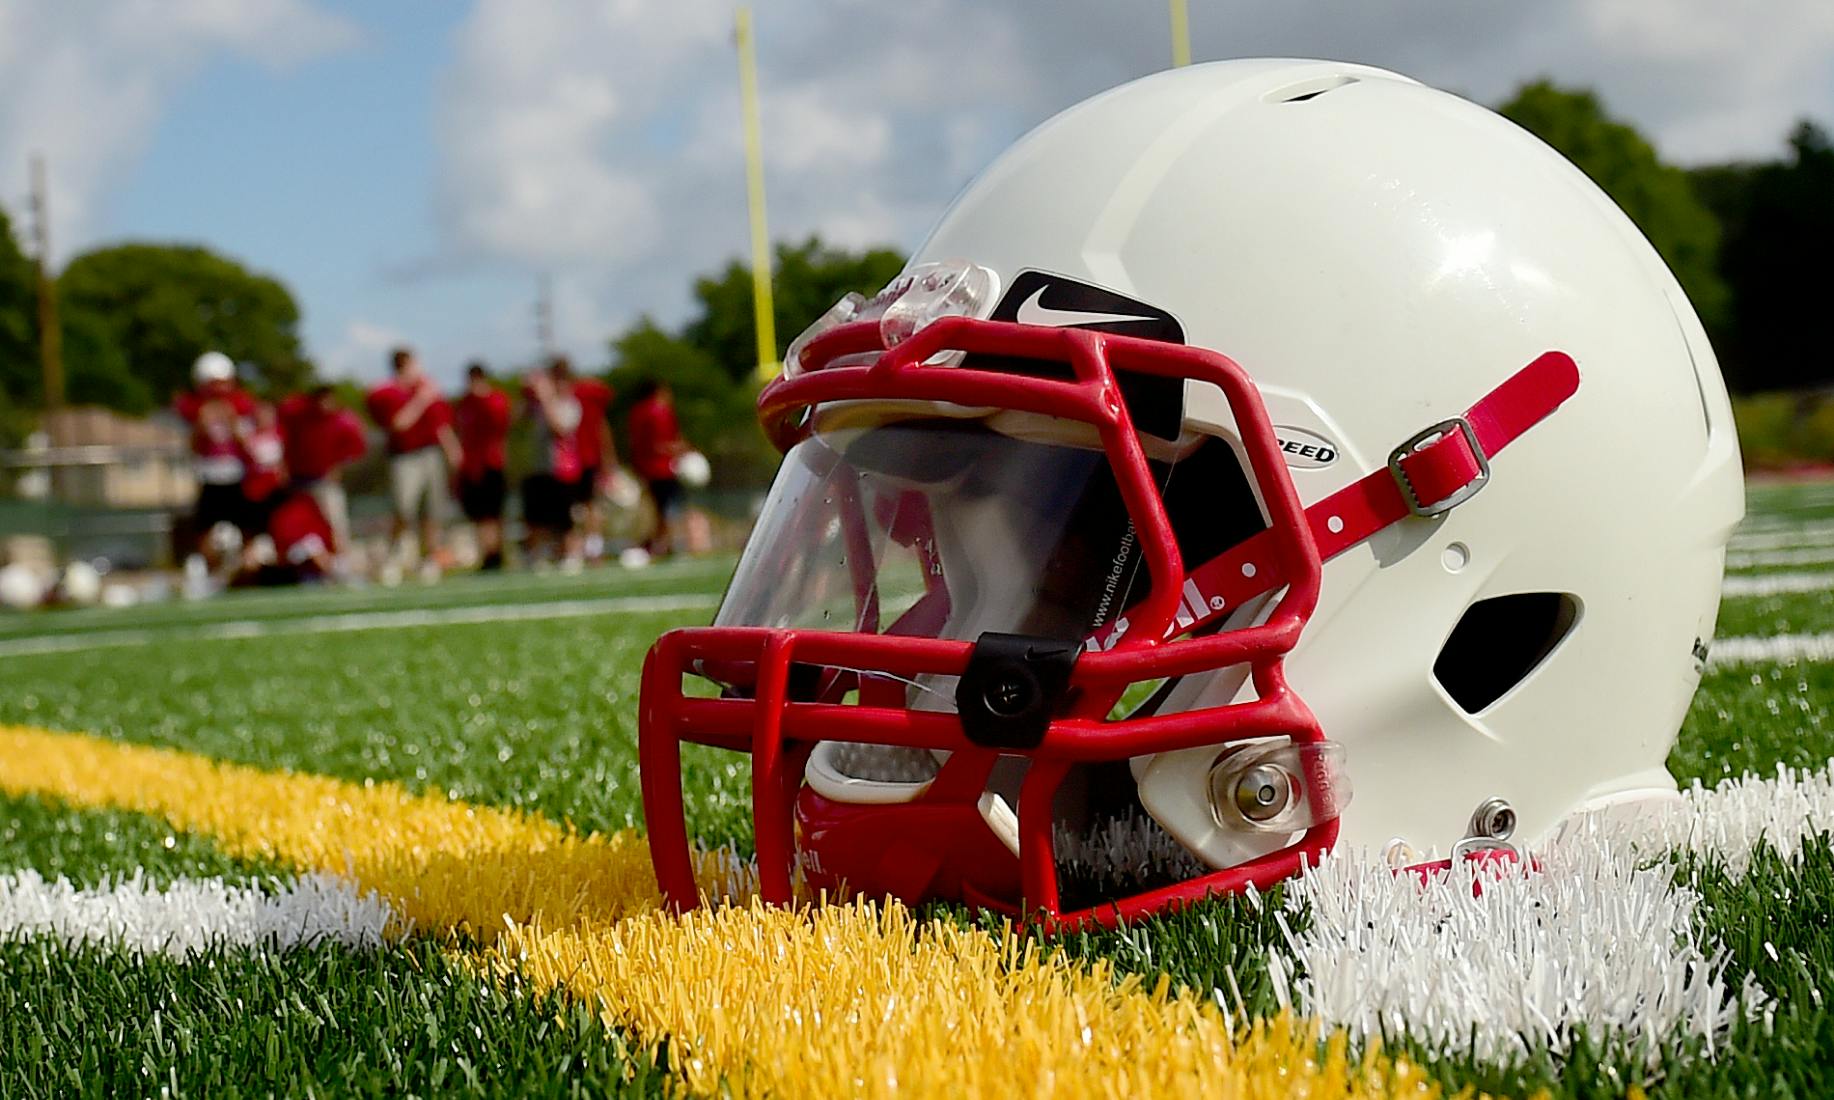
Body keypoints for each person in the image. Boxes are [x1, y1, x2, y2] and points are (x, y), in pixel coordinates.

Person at [365, 347, 461, 572]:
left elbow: (441, 425)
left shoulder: (426, 388)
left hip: (431, 453)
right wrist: (421, 399)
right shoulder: (388, 393)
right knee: (403, 508)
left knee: (432, 510)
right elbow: (399, 424)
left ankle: (429, 557)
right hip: (405, 457)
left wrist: (453, 451)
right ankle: (393, 554)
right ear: (404, 366)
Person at [173, 350, 257, 566]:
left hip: (236, 476)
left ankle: (246, 567)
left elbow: (247, 445)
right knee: (204, 527)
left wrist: (233, 422)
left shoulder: (240, 407)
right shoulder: (195, 410)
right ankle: (210, 568)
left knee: (246, 525)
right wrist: (200, 427)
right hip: (209, 476)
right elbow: (192, 447)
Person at [277, 385, 368, 555]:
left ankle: (342, 561)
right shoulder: (298, 417)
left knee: (335, 523)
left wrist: (339, 466)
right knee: (298, 525)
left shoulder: (343, 421)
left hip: (324, 481)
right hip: (298, 481)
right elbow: (285, 436)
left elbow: (356, 448)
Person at [519, 359, 585, 565]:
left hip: (563, 469)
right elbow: (516, 421)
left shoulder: (570, 405)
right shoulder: (536, 405)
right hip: (538, 468)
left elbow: (559, 428)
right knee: (536, 518)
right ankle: (537, 555)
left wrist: (547, 398)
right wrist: (528, 394)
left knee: (564, 519)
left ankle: (570, 554)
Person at [454, 363, 511, 571]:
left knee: (493, 514)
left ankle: (496, 553)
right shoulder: (464, 404)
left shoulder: (494, 399)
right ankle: (486, 554)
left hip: (491, 463)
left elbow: (500, 424)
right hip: (470, 467)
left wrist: (482, 398)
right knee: (478, 515)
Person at [561, 357, 619, 561]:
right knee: (574, 506)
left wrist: (609, 458)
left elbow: (601, 427)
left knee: (589, 504)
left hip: (583, 458)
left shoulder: (586, 393)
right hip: (566, 461)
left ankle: (592, 547)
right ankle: (578, 548)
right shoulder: (556, 396)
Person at [626, 379, 689, 558]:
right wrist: (684, 449)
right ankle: (663, 545)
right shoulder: (659, 411)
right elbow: (662, 443)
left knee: (656, 509)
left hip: (644, 467)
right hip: (662, 467)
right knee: (667, 509)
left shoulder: (636, 412)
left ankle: (656, 544)